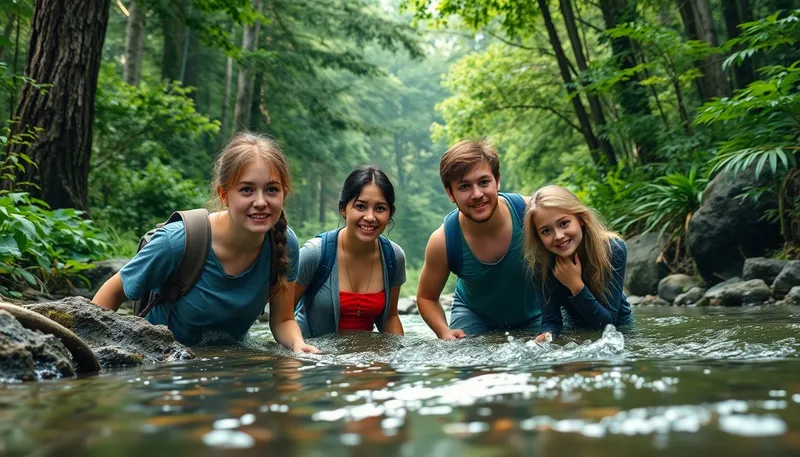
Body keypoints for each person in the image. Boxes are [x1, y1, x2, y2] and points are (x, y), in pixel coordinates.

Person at [92, 132, 318, 352]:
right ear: (223, 194)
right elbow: (111, 294)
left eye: (271, 190)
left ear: (283, 193)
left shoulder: (286, 244)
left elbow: (282, 321)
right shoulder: (178, 242)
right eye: (247, 190)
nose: (260, 202)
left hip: (230, 368)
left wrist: (298, 345)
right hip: (163, 371)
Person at [416, 140, 542, 338]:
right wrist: (444, 331)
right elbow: (426, 297)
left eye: (484, 182)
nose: (477, 194)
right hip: (474, 316)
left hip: (538, 312)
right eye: (464, 186)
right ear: (450, 193)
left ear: (497, 180)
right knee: (466, 359)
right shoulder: (443, 241)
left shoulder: (531, 214)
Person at [294, 165, 406, 338]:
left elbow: (390, 318)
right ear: (343, 209)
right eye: (360, 206)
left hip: (367, 361)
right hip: (313, 360)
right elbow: (284, 318)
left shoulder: (393, 257)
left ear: (389, 213)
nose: (370, 217)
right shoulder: (314, 254)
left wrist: (398, 357)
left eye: (380, 208)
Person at [524, 185, 632, 343]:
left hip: (620, 329)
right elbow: (551, 322)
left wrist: (575, 285)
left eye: (564, 223)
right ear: (538, 237)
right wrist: (545, 337)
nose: (559, 236)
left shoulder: (613, 249)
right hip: (577, 328)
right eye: (546, 231)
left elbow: (608, 324)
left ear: (581, 218)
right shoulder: (541, 265)